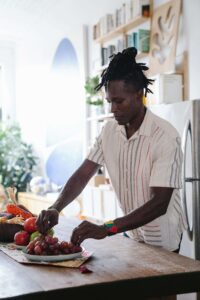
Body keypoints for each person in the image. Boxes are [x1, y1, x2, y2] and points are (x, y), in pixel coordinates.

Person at [36, 47, 186, 253]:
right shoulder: (109, 131)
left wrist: (107, 228)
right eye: (109, 101)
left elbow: (160, 203)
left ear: (139, 94)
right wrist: (56, 207)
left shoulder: (165, 136)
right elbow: (83, 174)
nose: (112, 109)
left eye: (119, 101)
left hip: (164, 242)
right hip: (132, 237)